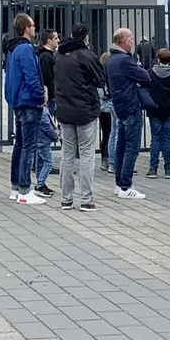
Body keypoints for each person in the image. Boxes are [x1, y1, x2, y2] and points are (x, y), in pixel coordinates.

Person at [53, 25, 106, 213]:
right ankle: (86, 199)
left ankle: (65, 199)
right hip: (85, 110)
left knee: (67, 154)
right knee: (86, 155)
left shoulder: (59, 55)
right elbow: (101, 79)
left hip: (64, 110)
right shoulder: (86, 55)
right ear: (86, 37)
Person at [4, 14, 48, 205]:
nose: (35, 29)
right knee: (28, 146)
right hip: (29, 102)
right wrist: (41, 96)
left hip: (18, 101)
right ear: (26, 28)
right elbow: (31, 76)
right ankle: (24, 189)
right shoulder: (26, 49)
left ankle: (16, 187)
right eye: (33, 25)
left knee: (20, 144)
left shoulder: (13, 50)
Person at [106, 27, 152, 200]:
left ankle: (119, 184)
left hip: (119, 105)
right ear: (123, 40)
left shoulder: (110, 59)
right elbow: (145, 77)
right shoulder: (126, 60)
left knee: (121, 146)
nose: (133, 41)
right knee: (131, 148)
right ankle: (126, 185)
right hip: (131, 105)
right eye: (131, 38)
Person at [146, 48, 170, 178]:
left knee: (155, 138)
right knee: (168, 139)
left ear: (158, 59)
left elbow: (147, 88)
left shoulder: (150, 73)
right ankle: (168, 169)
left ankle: (153, 169)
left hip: (154, 109)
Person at [35, 29, 60, 194]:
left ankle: (40, 178)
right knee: (46, 126)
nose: (58, 40)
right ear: (48, 40)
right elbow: (47, 78)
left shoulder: (45, 56)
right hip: (48, 97)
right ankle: (41, 177)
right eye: (56, 38)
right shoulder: (46, 57)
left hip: (49, 96)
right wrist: (49, 94)